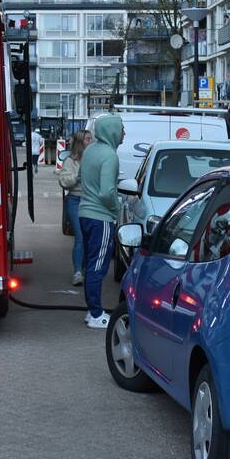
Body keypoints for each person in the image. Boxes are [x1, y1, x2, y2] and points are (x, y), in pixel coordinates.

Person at [78, 114, 124, 329]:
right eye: (121, 128)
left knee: (90, 264)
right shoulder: (109, 156)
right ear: (112, 131)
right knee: (98, 267)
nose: (124, 133)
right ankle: (96, 315)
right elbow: (107, 192)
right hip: (101, 217)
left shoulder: (90, 150)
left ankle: (91, 311)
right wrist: (117, 208)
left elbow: (82, 178)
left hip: (85, 214)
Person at [58, 130, 91, 286]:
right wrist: (77, 176)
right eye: (87, 139)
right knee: (80, 236)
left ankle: (85, 269)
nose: (91, 141)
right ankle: (78, 272)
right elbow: (64, 182)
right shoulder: (70, 161)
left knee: (89, 237)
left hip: (91, 201)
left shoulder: (94, 159)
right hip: (75, 201)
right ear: (80, 143)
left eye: (91, 138)